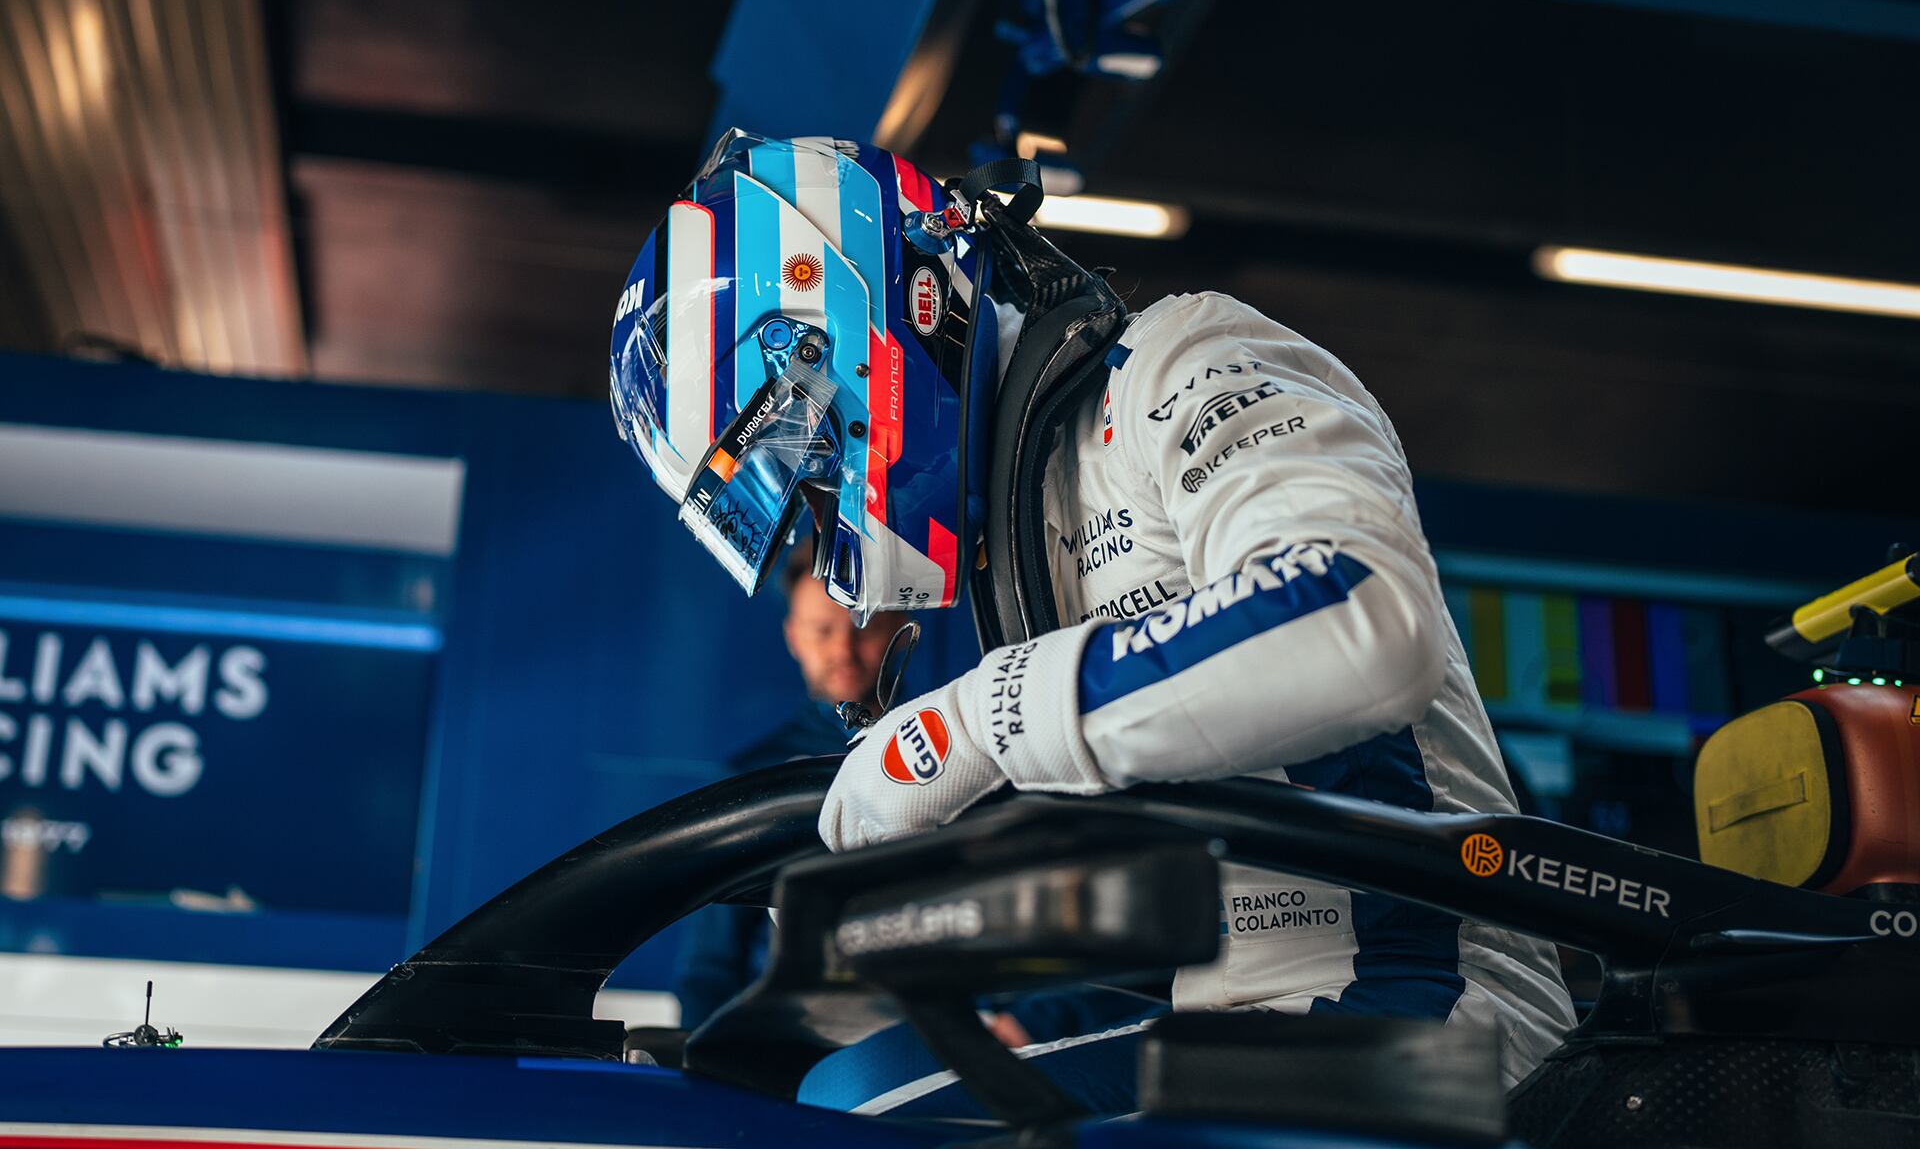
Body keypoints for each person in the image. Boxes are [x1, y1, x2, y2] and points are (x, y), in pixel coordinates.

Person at [610, 131, 1575, 1116]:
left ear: (868, 322)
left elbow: (1364, 618)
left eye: (808, 459)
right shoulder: (1020, 530)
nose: (826, 510)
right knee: (821, 1095)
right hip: (1229, 1006)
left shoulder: (1182, 356)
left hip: (1434, 1012)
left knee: (868, 1114)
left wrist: (971, 724)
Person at [671, 549, 904, 1029]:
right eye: (822, 630)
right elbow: (708, 968)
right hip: (791, 1045)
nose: (843, 650)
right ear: (794, 637)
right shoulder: (750, 780)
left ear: (899, 627)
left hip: (931, 1037)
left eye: (862, 627)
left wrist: (1025, 1022)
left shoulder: (961, 749)